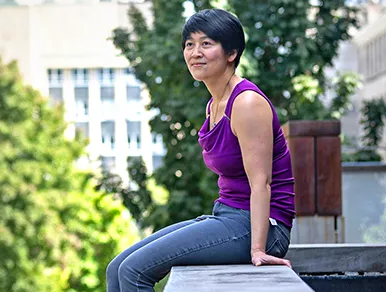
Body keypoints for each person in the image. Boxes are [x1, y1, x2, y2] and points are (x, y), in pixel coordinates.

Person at [106, 8, 296, 292]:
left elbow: (261, 182)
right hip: (227, 215)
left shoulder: (245, 103)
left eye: (206, 44)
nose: (195, 52)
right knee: (117, 269)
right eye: (189, 44)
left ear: (231, 53)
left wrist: (258, 249)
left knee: (135, 271)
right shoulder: (214, 104)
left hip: (263, 227)